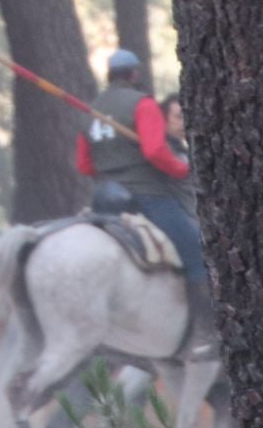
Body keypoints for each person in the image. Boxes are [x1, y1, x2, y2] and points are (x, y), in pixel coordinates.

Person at [74, 48, 216, 360]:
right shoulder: (143, 104)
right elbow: (154, 152)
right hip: (147, 196)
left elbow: (85, 164)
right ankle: (207, 333)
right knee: (196, 249)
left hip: (104, 199)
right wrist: (184, 169)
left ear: (109, 75)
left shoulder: (93, 109)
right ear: (135, 74)